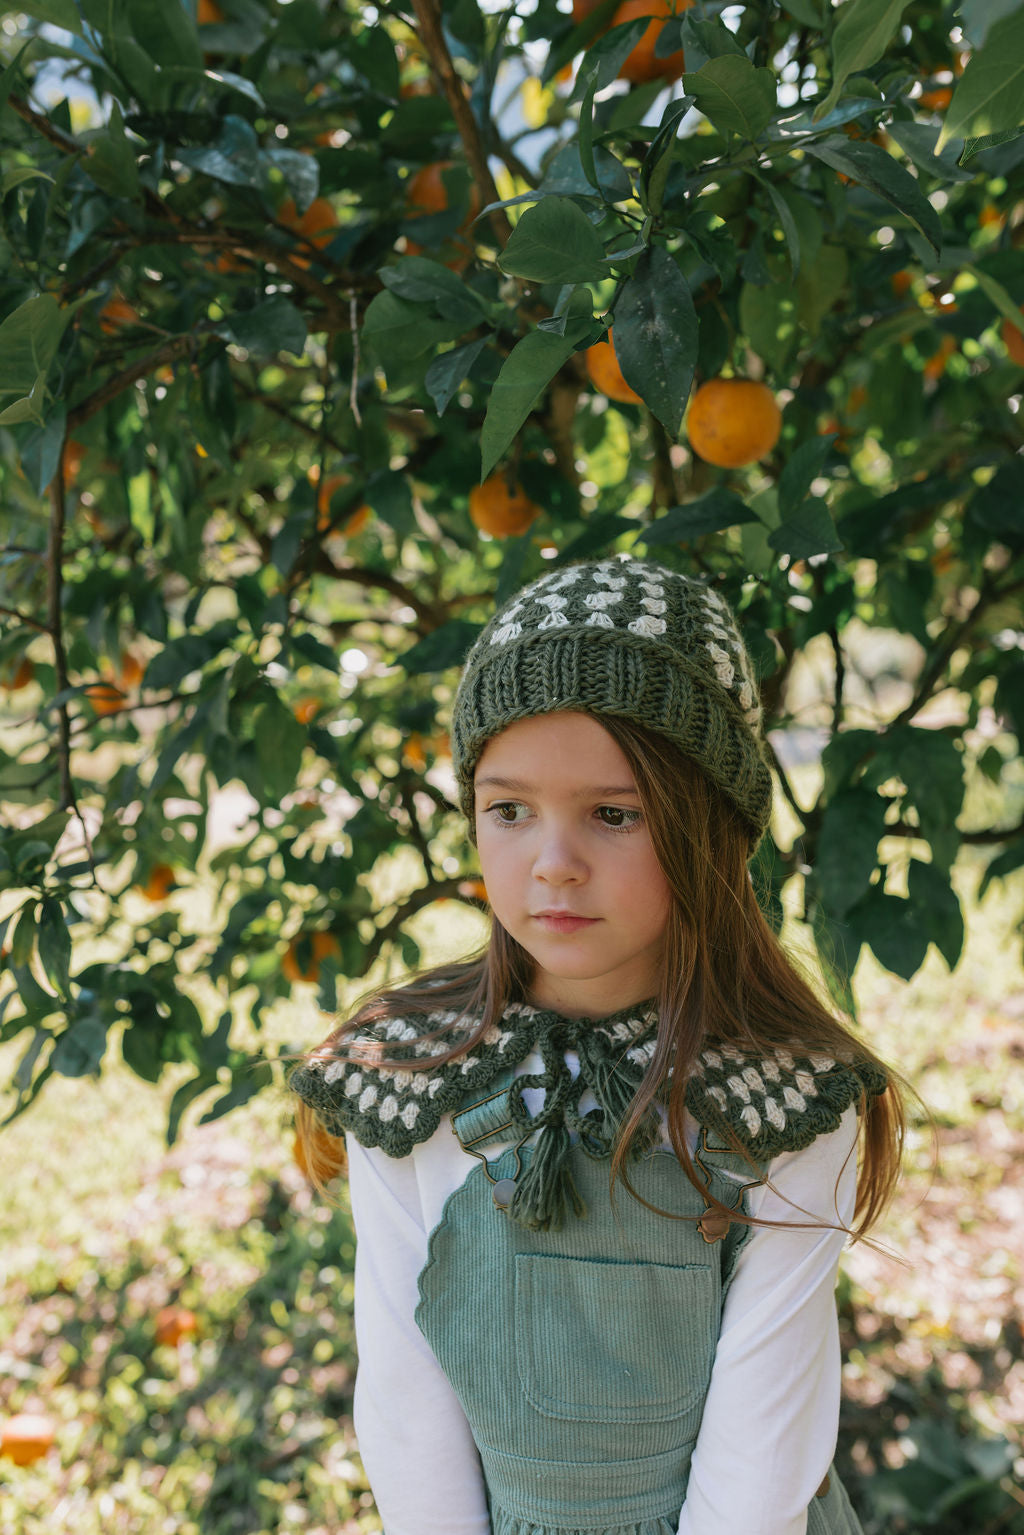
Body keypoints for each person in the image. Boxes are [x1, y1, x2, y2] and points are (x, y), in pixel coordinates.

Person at [288, 554, 905, 1535]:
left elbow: (760, 1454)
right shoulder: (408, 1073)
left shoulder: (782, 1093)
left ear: (711, 824)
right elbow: (408, 1407)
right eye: (508, 809)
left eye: (614, 813)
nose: (553, 863)